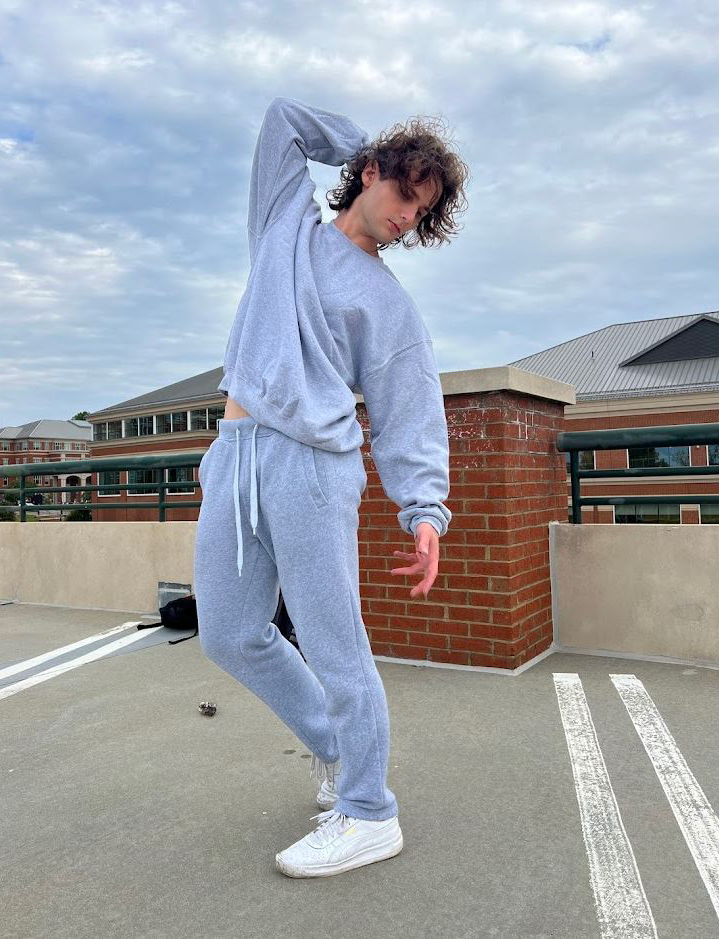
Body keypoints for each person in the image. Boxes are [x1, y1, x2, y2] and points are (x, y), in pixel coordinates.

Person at [194, 96, 468, 878]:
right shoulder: (284, 226)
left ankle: (369, 810)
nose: (408, 218)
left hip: (313, 466)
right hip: (235, 455)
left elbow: (409, 408)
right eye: (405, 194)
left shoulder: (387, 302)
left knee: (334, 643)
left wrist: (424, 510)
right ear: (371, 174)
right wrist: (364, 144)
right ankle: (336, 750)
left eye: (423, 211)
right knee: (229, 631)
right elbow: (282, 119)